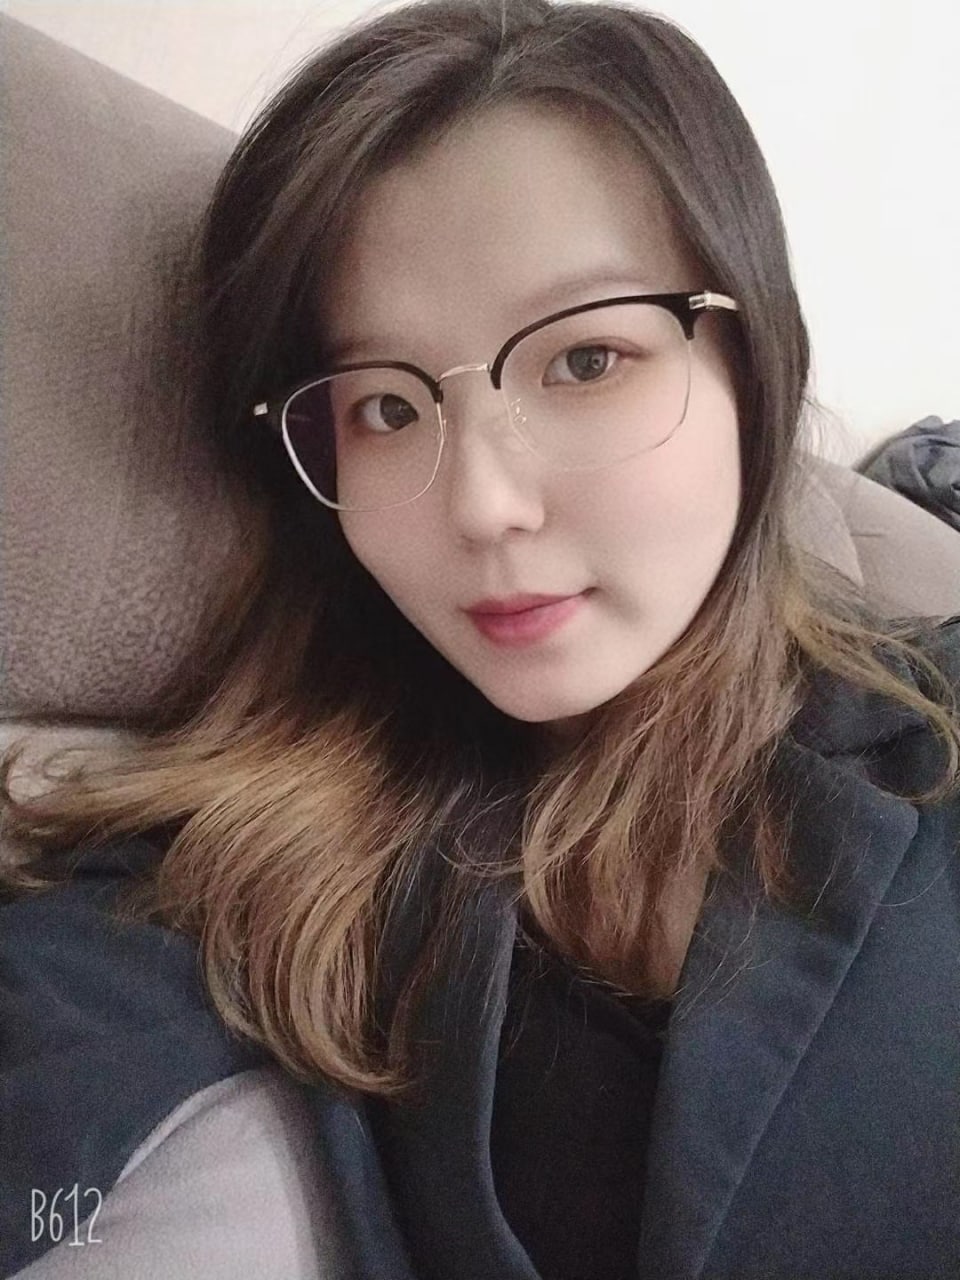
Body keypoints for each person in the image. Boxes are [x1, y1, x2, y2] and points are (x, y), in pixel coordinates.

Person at [2, 1, 959, 1277]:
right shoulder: (300, 821)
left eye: (585, 360)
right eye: (387, 406)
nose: (482, 506)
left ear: (753, 359)